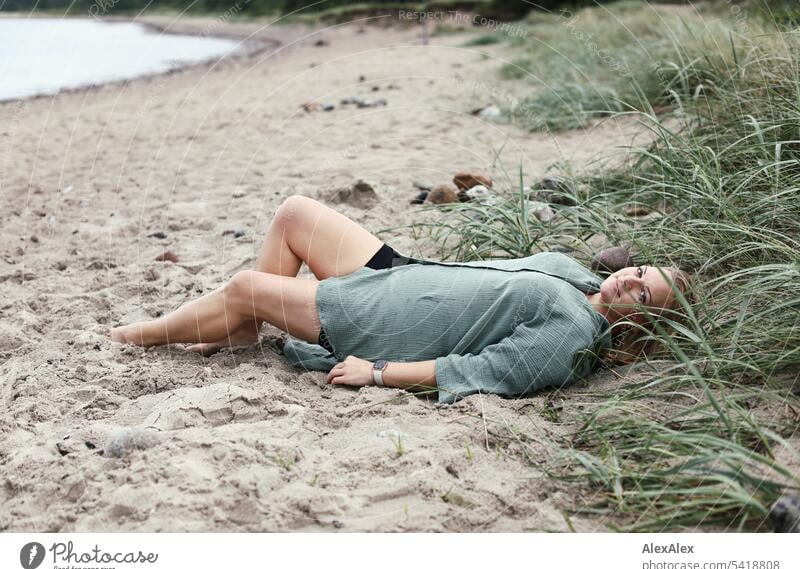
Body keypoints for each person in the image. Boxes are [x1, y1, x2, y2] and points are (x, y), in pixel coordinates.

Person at [111, 195, 692, 404]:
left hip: (384, 322)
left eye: (643, 293)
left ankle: (134, 335)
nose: (629, 281)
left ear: (644, 323)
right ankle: (243, 327)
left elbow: (484, 371)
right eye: (638, 270)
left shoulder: (572, 337)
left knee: (243, 286)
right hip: (400, 273)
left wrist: (379, 372)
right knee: (294, 213)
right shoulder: (575, 277)